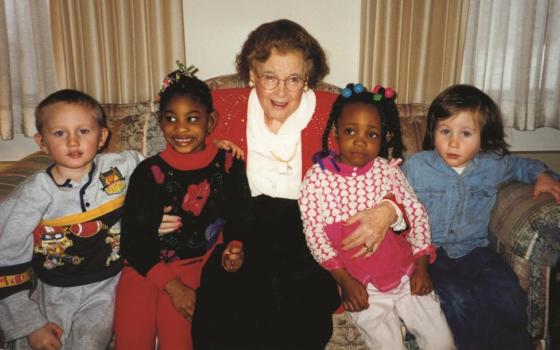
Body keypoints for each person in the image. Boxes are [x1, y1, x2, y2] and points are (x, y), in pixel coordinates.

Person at [156, 19, 401, 349]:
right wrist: (161, 207)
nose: (282, 91)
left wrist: (388, 210)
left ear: (307, 80)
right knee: (223, 296)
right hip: (242, 226)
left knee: (301, 305)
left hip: (306, 230)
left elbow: (385, 167)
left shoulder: (336, 113)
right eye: (269, 77)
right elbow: (174, 160)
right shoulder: (220, 107)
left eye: (293, 79)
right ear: (252, 75)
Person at [401, 84, 560, 350]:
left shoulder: (493, 164)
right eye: (445, 131)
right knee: (456, 302)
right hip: (431, 255)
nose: (453, 142)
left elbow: (523, 165)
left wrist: (542, 175)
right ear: (433, 132)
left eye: (466, 133)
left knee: (507, 295)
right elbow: (392, 197)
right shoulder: (416, 167)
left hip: (476, 252)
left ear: (483, 137)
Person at [299, 83, 455, 350]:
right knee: (387, 344)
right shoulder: (316, 180)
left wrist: (421, 267)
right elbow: (315, 237)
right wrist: (345, 282)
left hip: (407, 276)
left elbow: (416, 215)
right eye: (350, 131)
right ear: (335, 131)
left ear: (385, 137)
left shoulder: (388, 171)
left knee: (441, 341)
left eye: (372, 135)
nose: (360, 141)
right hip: (363, 287)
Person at [114, 63, 251, 350]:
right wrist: (171, 286)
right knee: (131, 340)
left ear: (210, 122)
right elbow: (133, 241)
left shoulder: (228, 164)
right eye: (171, 119)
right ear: (160, 122)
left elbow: (240, 213)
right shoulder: (149, 172)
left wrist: (235, 244)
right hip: (143, 268)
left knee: (179, 340)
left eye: (192, 118)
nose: (181, 129)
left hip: (191, 265)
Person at [0, 89, 142, 350]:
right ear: (41, 141)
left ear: (102, 137)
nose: (73, 141)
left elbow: (163, 170)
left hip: (106, 287)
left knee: (89, 343)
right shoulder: (32, 195)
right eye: (59, 133)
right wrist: (31, 326)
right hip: (53, 290)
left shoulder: (120, 167)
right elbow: (5, 259)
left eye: (83, 131)